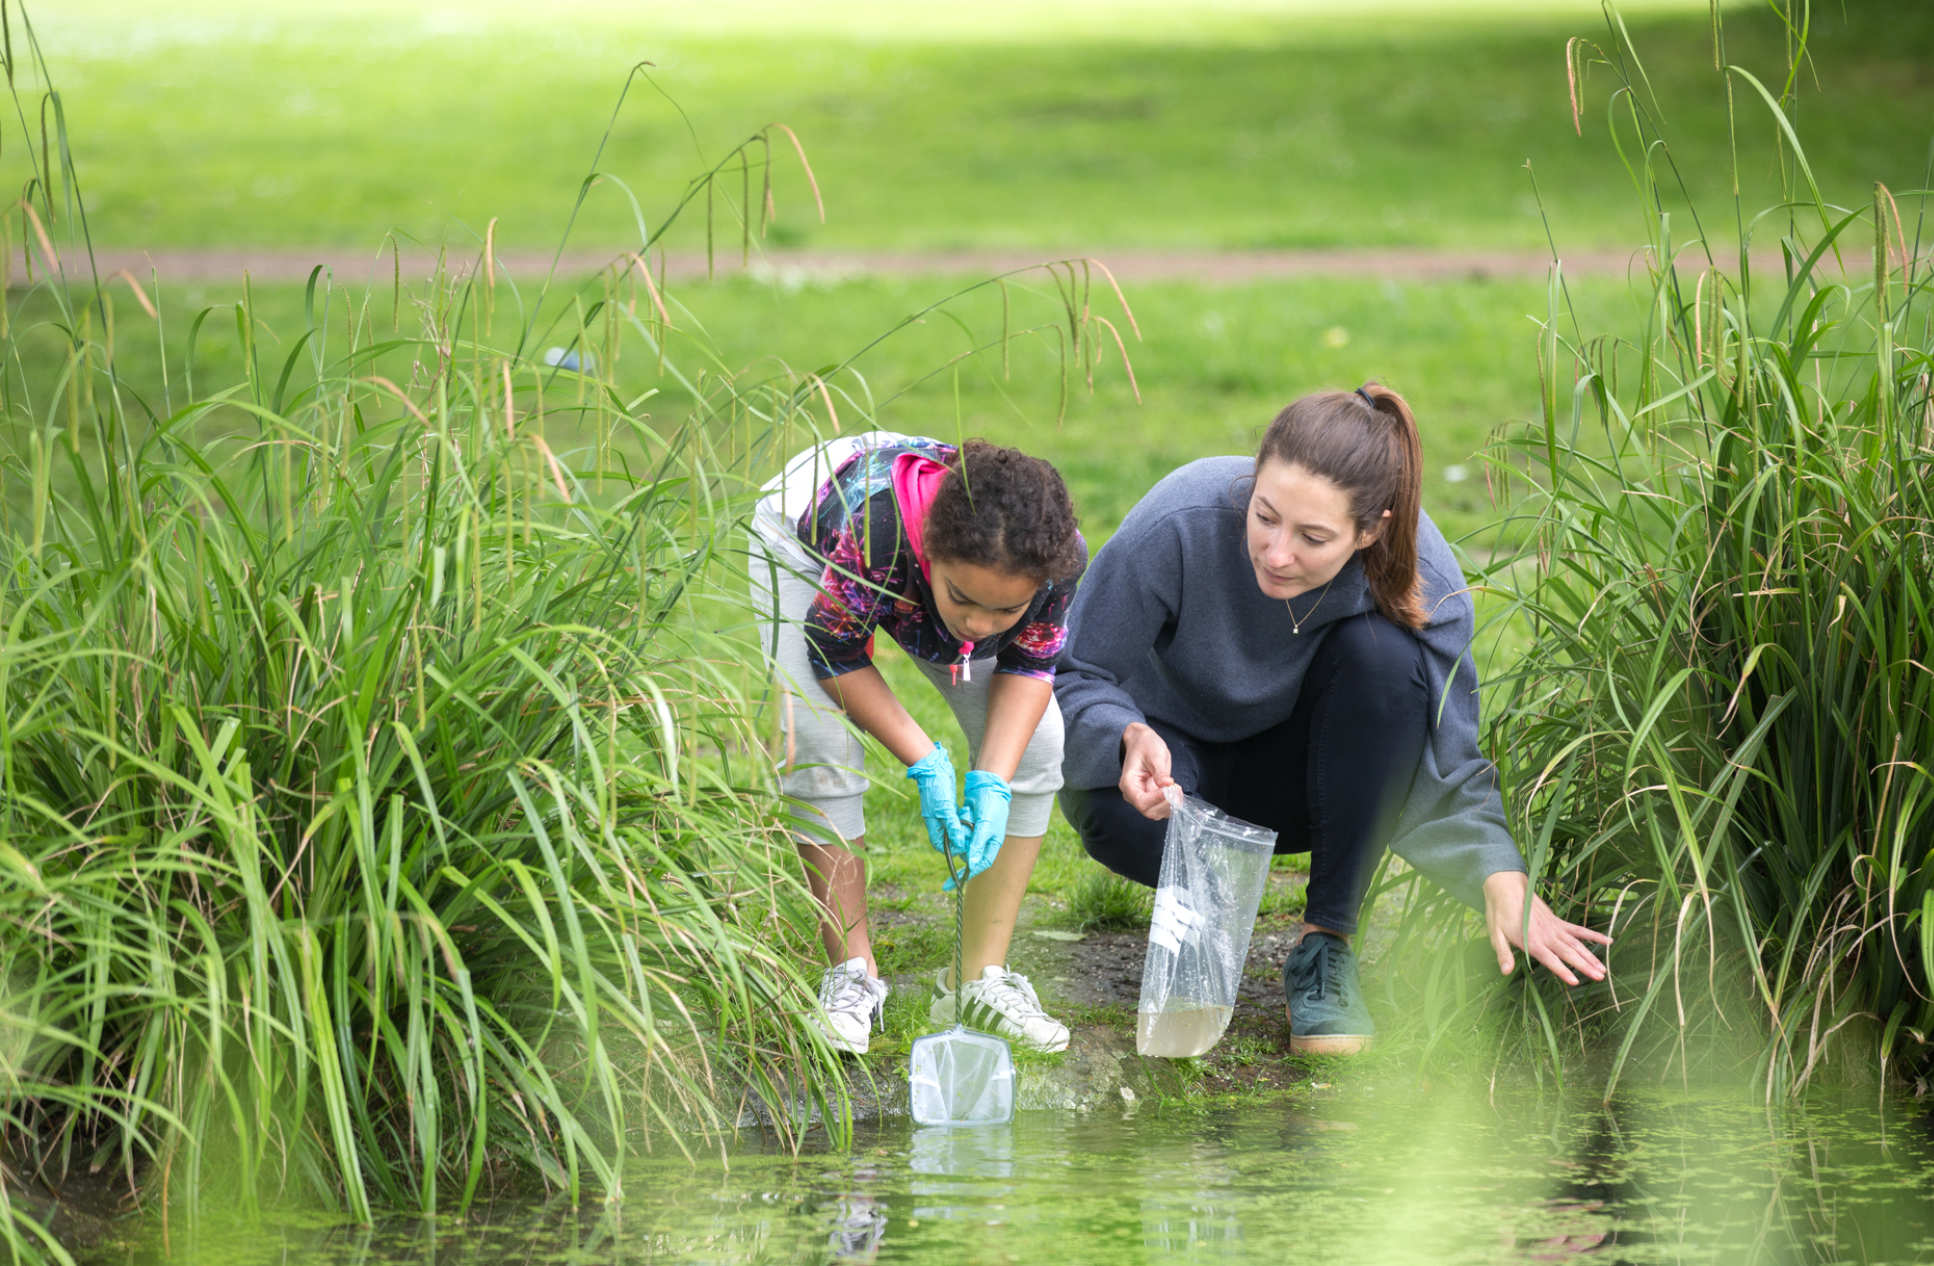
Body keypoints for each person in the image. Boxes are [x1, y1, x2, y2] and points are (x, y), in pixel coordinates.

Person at [1054, 383, 1610, 1055]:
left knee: (1386, 659)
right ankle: (1201, 918)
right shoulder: (1179, 519)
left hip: (1313, 785)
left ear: (1370, 529)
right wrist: (1127, 733)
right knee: (1117, 818)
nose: (1278, 552)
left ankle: (1326, 950)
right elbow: (1073, 672)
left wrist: (1500, 877)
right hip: (1165, 769)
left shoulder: (1426, 579)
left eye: (1314, 537)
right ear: (1252, 480)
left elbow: (1444, 757)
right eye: (1265, 517)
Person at [749, 430, 1086, 1056]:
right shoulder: (877, 532)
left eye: (1004, 612)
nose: (980, 625)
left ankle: (977, 982)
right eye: (963, 599)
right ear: (933, 556)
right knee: (819, 741)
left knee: (1037, 746)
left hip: (919, 565)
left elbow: (1031, 669)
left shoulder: (1053, 558)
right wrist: (926, 761)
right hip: (806, 535)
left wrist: (991, 778)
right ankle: (852, 975)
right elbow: (834, 648)